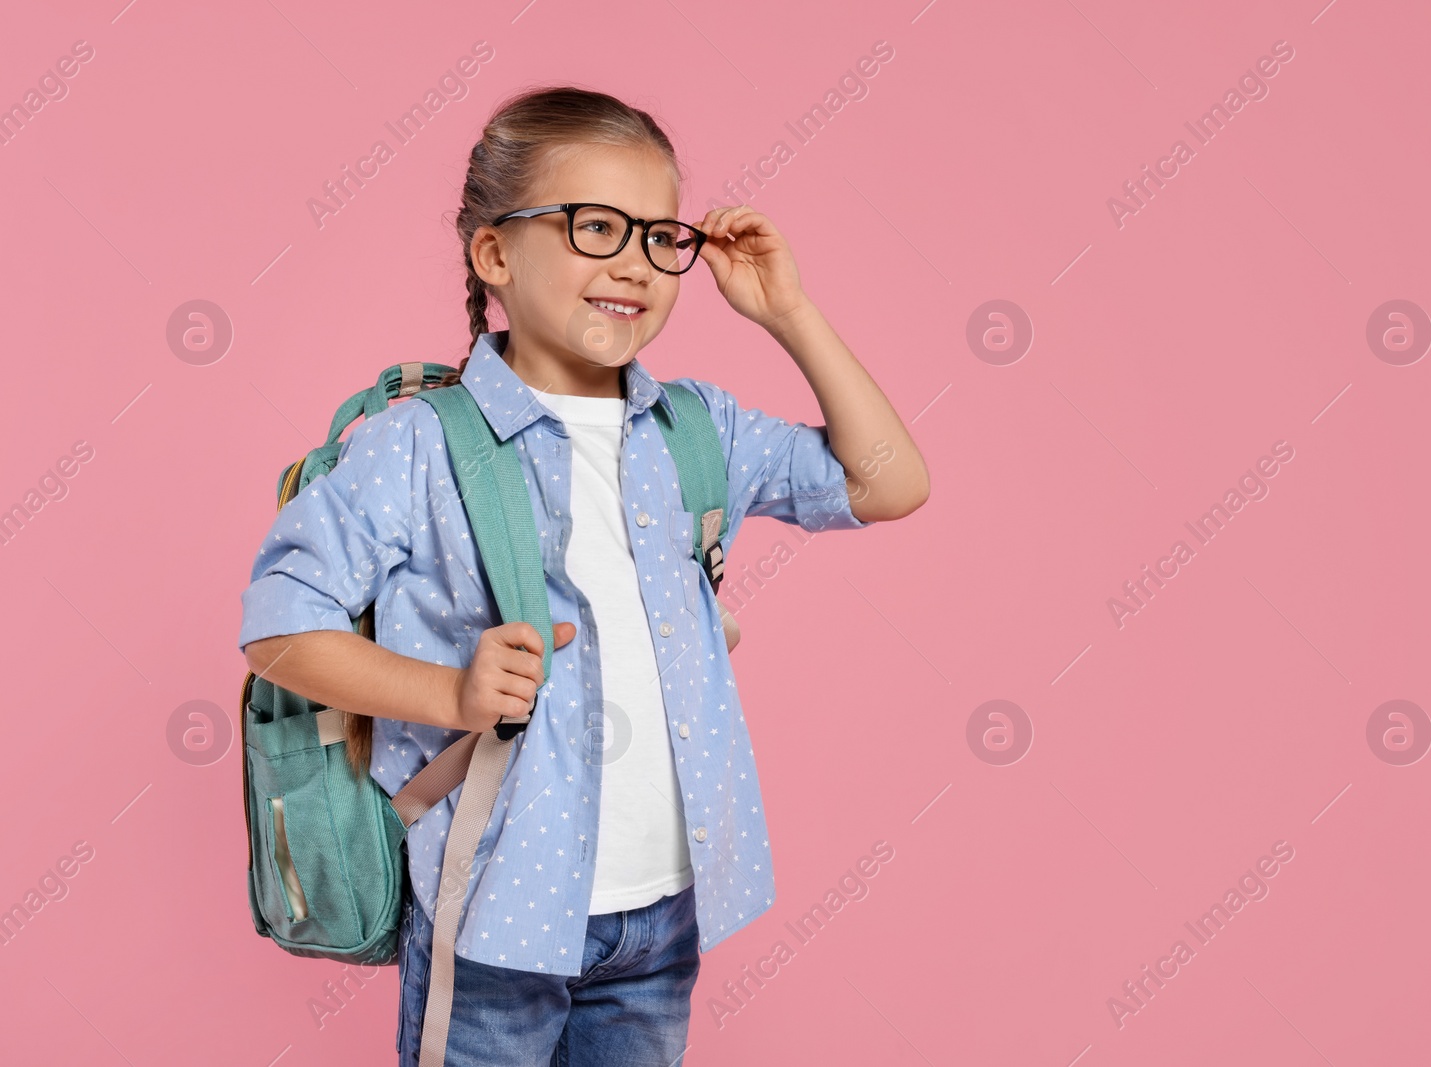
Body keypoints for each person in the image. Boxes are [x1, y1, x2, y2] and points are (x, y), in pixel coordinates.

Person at [238, 84, 929, 1066]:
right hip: (490, 919)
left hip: (663, 911)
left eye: (658, 236)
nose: (634, 264)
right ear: (494, 253)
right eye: (595, 227)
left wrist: (789, 312)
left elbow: (891, 483)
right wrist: (449, 690)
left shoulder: (695, 428)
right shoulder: (418, 446)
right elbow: (277, 625)